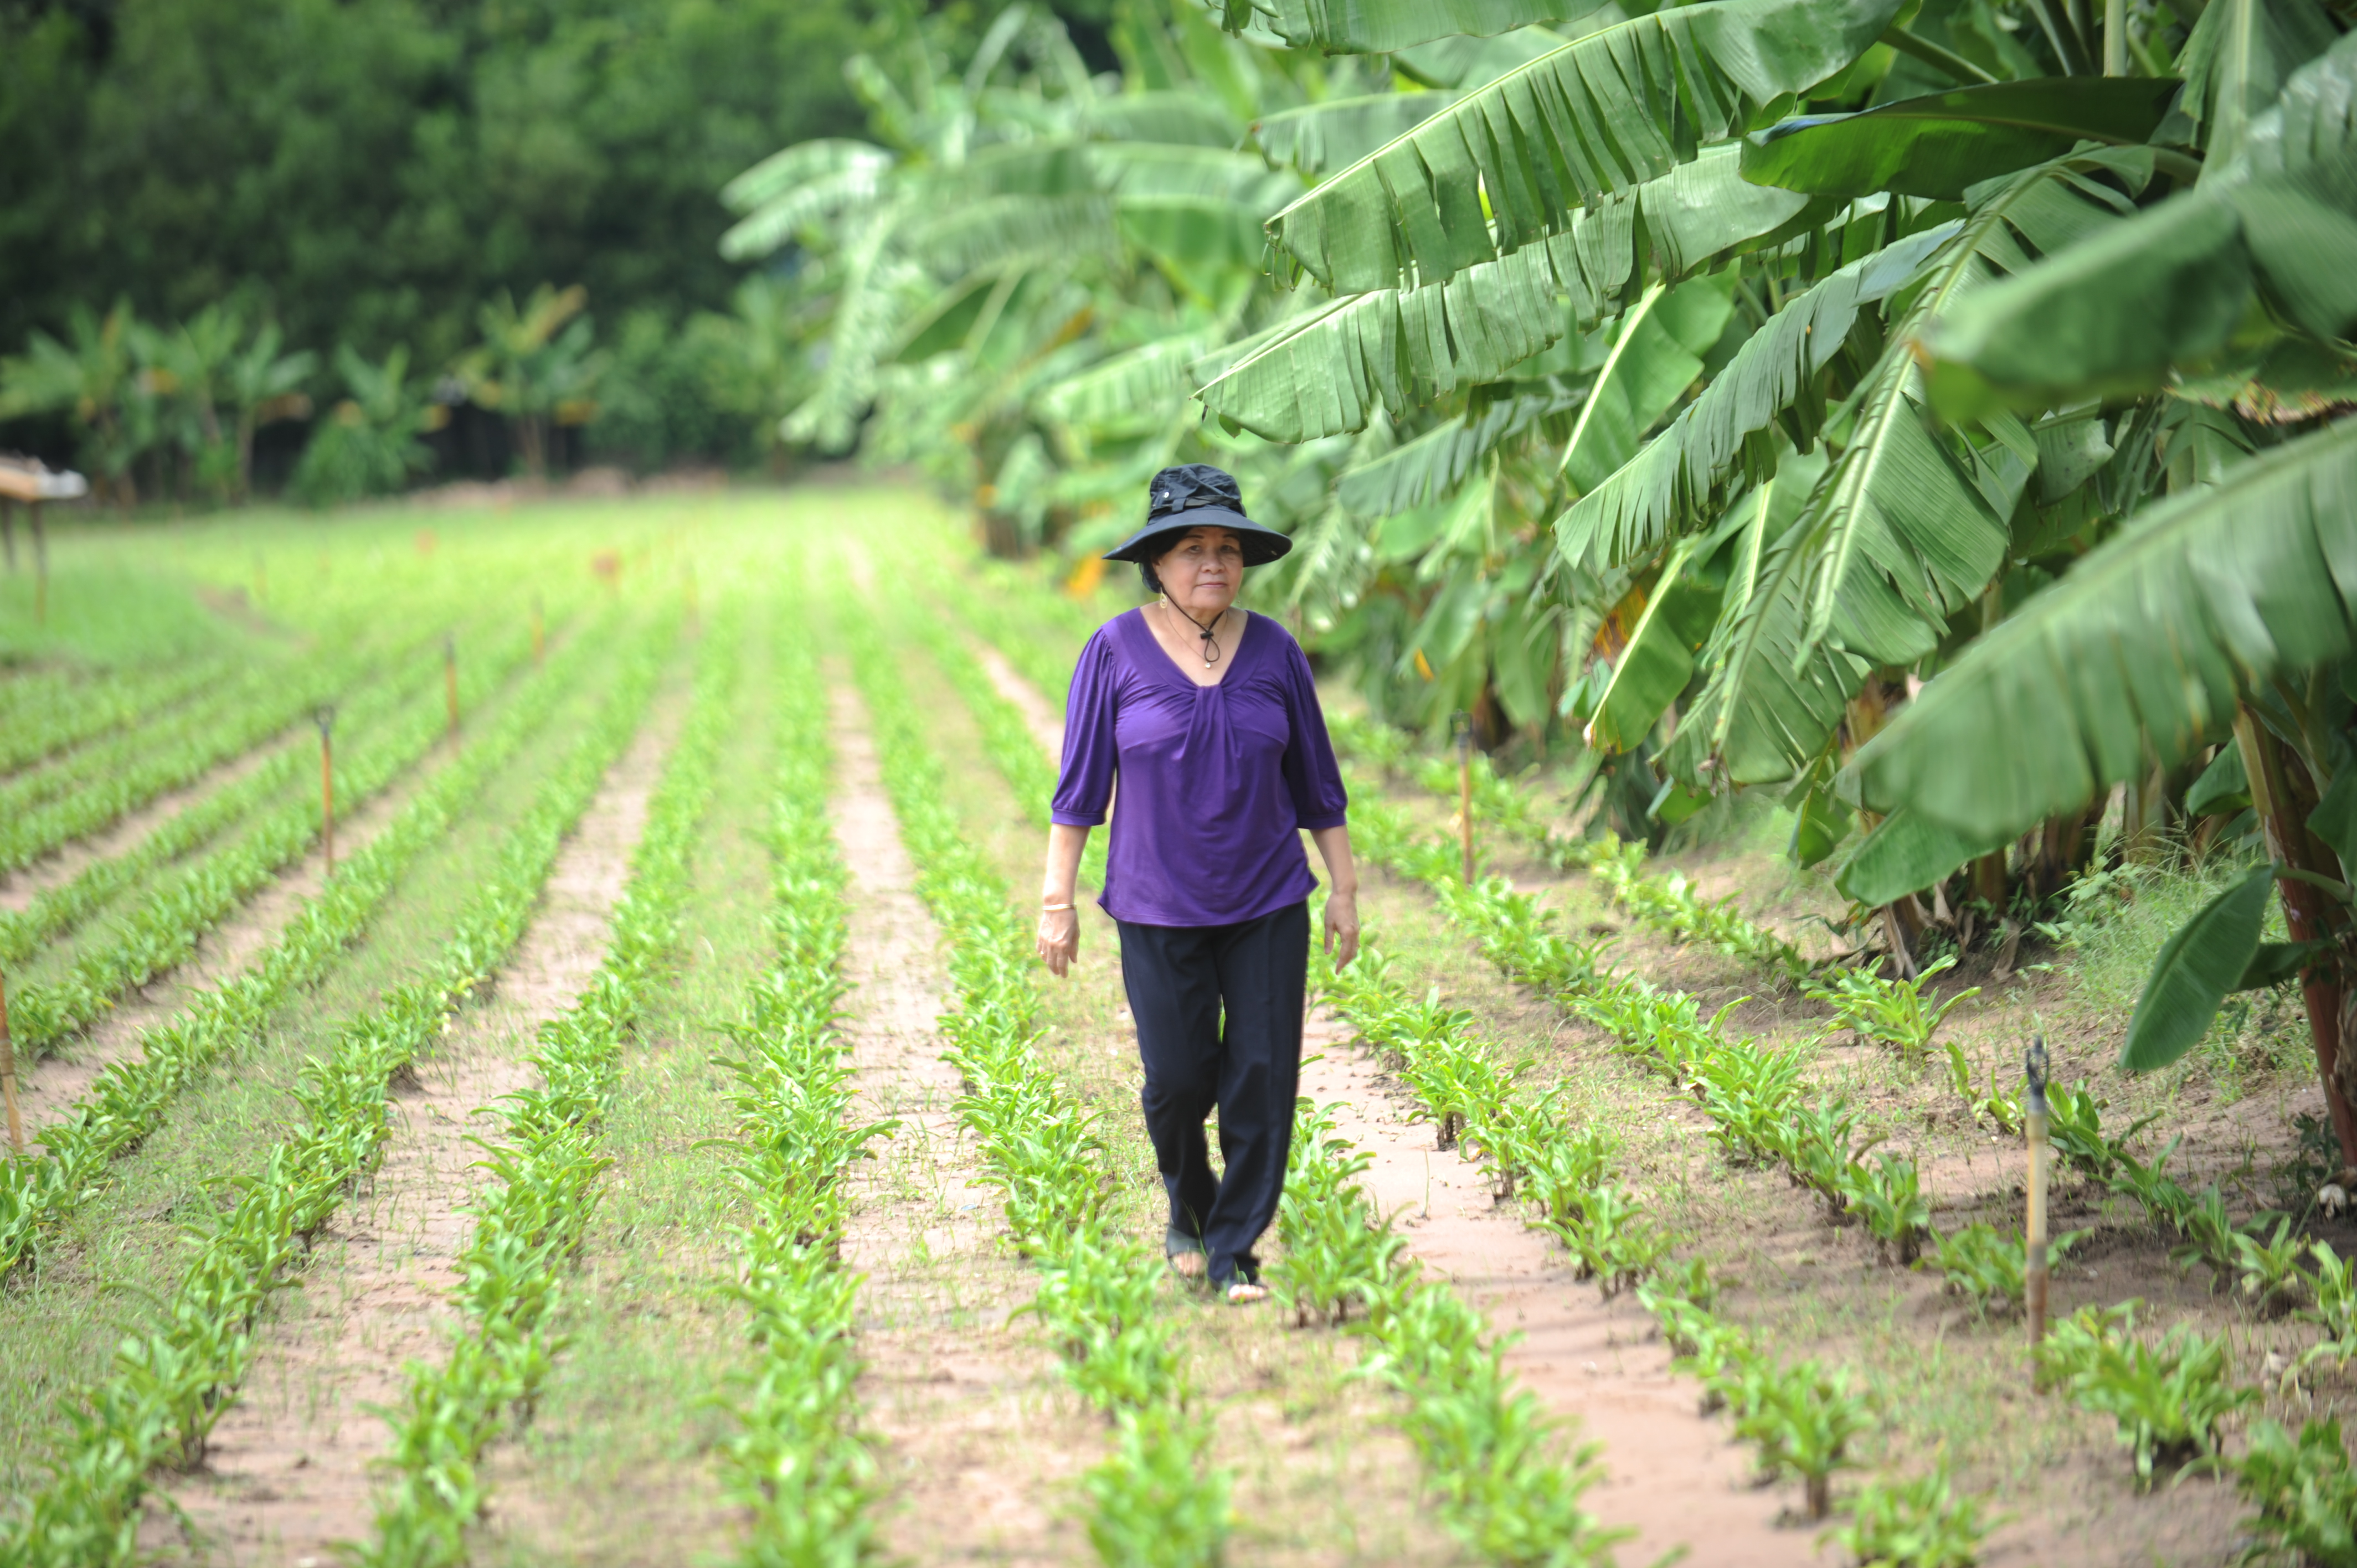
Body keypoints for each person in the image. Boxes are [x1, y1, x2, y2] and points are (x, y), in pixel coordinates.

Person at [1035, 463, 1359, 1305]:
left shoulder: (1277, 652)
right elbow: (1078, 793)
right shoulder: (1112, 652)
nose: (1212, 562)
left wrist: (1346, 892)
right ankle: (1190, 1199)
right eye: (1191, 548)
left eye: (1227, 547)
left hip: (1268, 903)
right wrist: (1056, 902)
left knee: (1261, 1077)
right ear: (1157, 563)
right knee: (1177, 1079)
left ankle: (1233, 1248)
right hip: (1156, 904)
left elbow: (1318, 785)